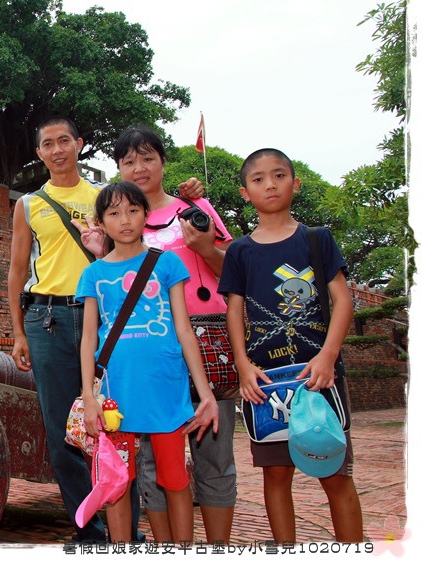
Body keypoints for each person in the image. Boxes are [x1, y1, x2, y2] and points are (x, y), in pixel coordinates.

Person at [7, 117, 201, 542]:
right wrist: (18, 331)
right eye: (47, 144)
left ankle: (126, 535)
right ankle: (93, 533)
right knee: (66, 434)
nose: (57, 150)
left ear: (79, 144)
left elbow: (145, 212)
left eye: (64, 141)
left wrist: (191, 194)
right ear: (38, 153)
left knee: (117, 427)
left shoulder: (104, 197)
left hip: (111, 324)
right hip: (49, 318)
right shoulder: (28, 204)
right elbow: (17, 268)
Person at [217, 148, 363, 543]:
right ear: (245, 192)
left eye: (279, 175)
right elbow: (234, 310)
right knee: (276, 476)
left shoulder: (316, 239)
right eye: (258, 179)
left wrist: (328, 357)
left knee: (334, 472)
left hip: (319, 377)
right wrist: (243, 366)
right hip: (267, 381)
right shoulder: (240, 250)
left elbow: (343, 298)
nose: (270, 185)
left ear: (295, 183)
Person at [112, 127, 237, 544]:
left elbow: (233, 273)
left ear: (164, 162)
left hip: (207, 339)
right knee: (153, 461)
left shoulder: (194, 208)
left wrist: (203, 246)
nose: (139, 168)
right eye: (128, 161)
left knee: (213, 457)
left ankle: (217, 548)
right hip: (150, 350)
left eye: (147, 157)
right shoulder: (121, 221)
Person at [75, 181, 219, 543]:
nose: (124, 220)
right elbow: (88, 339)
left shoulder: (167, 263)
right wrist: (89, 399)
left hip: (165, 389)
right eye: (113, 213)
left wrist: (205, 394)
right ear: (101, 222)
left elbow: (184, 330)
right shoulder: (93, 273)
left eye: (133, 210)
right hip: (114, 395)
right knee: (116, 482)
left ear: (146, 215)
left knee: (174, 478)